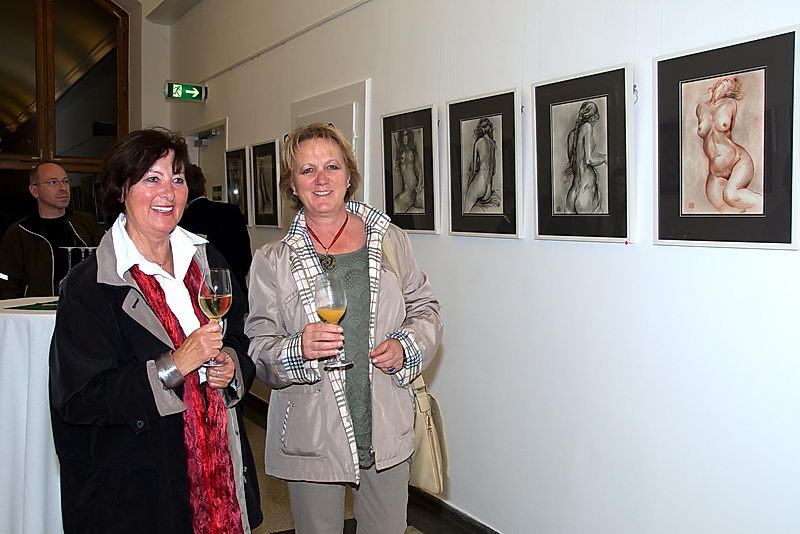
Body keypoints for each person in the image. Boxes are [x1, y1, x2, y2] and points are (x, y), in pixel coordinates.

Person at [49, 128, 262, 534]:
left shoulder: (207, 259)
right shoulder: (91, 285)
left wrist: (232, 363)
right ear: (120, 190)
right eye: (152, 178)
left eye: (177, 179)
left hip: (219, 474)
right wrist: (174, 366)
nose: (168, 192)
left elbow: (240, 331)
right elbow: (80, 400)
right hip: (137, 492)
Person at [246, 123, 442, 534]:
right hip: (311, 432)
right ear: (292, 184)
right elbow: (258, 348)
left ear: (349, 176)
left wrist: (406, 346)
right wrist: (298, 348)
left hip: (384, 421)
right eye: (307, 170)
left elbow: (425, 309)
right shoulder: (272, 260)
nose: (321, 179)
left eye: (331, 167)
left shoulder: (389, 240)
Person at [0, 163, 103, 298]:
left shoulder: (86, 223)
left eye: (65, 181)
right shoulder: (20, 232)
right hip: (37, 308)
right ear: (34, 190)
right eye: (53, 182)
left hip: (86, 305)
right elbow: (7, 282)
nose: (63, 188)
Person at [180, 163, 253, 292]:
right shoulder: (231, 211)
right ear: (204, 186)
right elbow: (245, 258)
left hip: (200, 293)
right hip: (235, 290)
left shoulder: (180, 222)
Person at [695, 75, 762, 213]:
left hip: (738, 161)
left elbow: (728, 130)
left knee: (731, 195)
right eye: (726, 79)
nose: (727, 80)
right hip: (715, 172)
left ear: (732, 89)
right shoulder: (700, 108)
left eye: (731, 81)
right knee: (726, 212)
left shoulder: (729, 104)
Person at [464, 117, 499, 212]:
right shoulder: (492, 144)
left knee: (466, 210)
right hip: (488, 189)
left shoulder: (478, 142)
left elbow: (475, 168)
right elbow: (494, 170)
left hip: (480, 184)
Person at [392, 129, 423, 213]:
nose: (404, 138)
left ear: (409, 137)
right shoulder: (399, 152)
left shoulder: (413, 151)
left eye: (406, 135)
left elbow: (419, 171)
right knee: (395, 206)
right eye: (402, 136)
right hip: (405, 190)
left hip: (414, 188)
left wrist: (419, 185)